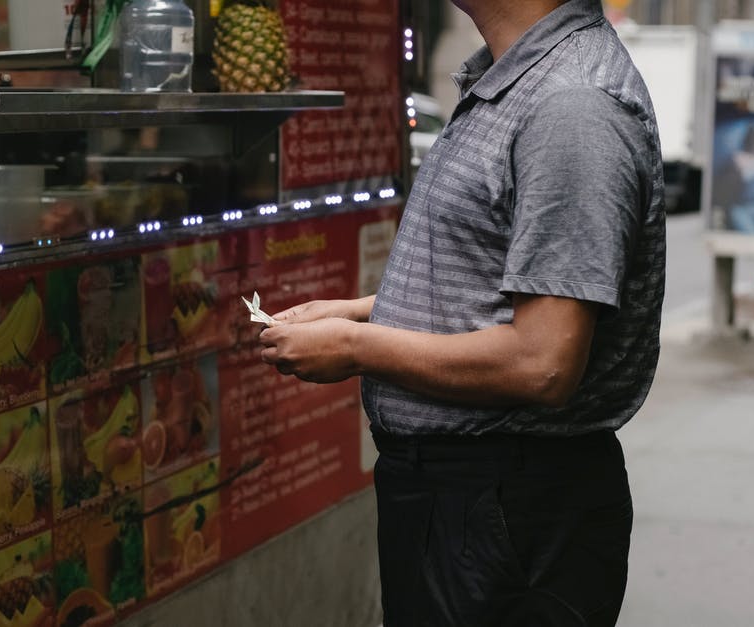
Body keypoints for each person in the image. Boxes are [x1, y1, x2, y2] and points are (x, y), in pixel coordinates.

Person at [259, 0, 664, 625]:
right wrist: (368, 310)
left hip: (508, 509)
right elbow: (503, 278)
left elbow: (543, 364)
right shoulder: (518, 78)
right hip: (469, 504)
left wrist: (356, 348)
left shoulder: (572, 106)